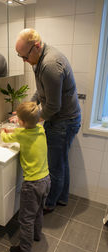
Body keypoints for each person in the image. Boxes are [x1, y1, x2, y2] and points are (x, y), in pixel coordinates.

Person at [13, 28, 81, 213]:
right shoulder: (39, 58)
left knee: (55, 166)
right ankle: (62, 198)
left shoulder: (50, 64)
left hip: (63, 121)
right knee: (61, 162)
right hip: (64, 119)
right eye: (20, 57)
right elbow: (41, 92)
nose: (24, 61)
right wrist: (25, 109)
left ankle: (49, 204)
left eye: (24, 56)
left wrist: (30, 120)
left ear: (36, 47)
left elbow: (52, 107)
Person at [1, 102, 51, 252]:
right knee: (38, 212)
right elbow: (22, 132)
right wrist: (17, 127)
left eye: (18, 119)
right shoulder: (41, 129)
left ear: (21, 122)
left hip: (32, 185)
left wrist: (3, 130)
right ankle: (36, 235)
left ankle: (24, 249)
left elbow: (6, 137)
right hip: (46, 180)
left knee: (26, 218)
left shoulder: (21, 134)